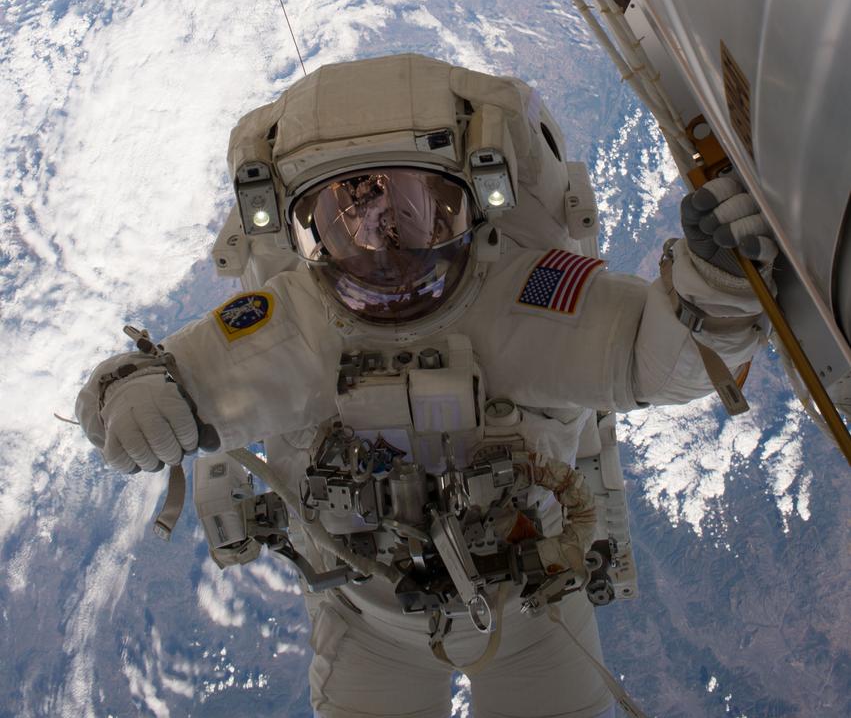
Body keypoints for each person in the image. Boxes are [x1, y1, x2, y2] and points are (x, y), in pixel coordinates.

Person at [76, 54, 776, 718]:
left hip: (532, 611)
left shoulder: (527, 300)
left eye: (417, 205)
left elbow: (655, 359)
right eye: (341, 216)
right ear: (300, 229)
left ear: (473, 201)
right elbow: (143, 381)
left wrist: (712, 287)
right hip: (368, 621)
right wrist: (126, 401)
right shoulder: (288, 325)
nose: (379, 240)